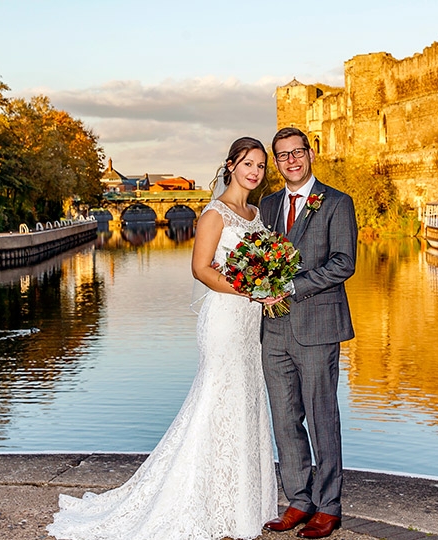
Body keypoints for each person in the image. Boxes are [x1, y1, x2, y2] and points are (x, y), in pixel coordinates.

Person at [47, 137, 277, 540]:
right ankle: (195, 500)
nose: (255, 172)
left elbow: (259, 263)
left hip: (249, 322)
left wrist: (268, 285)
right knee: (217, 399)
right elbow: (201, 270)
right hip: (224, 320)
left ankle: (239, 504)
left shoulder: (256, 213)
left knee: (246, 399)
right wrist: (251, 290)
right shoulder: (213, 214)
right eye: (248, 164)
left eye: (260, 165)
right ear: (230, 165)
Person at [258, 127, 357, 539]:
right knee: (284, 418)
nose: (291, 161)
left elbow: (343, 263)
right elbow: (257, 259)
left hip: (318, 326)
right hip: (273, 329)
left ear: (311, 153)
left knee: (321, 417)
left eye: (298, 152)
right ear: (276, 163)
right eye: (282, 156)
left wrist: (291, 286)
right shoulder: (265, 206)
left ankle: (329, 505)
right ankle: (298, 499)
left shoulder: (337, 202)